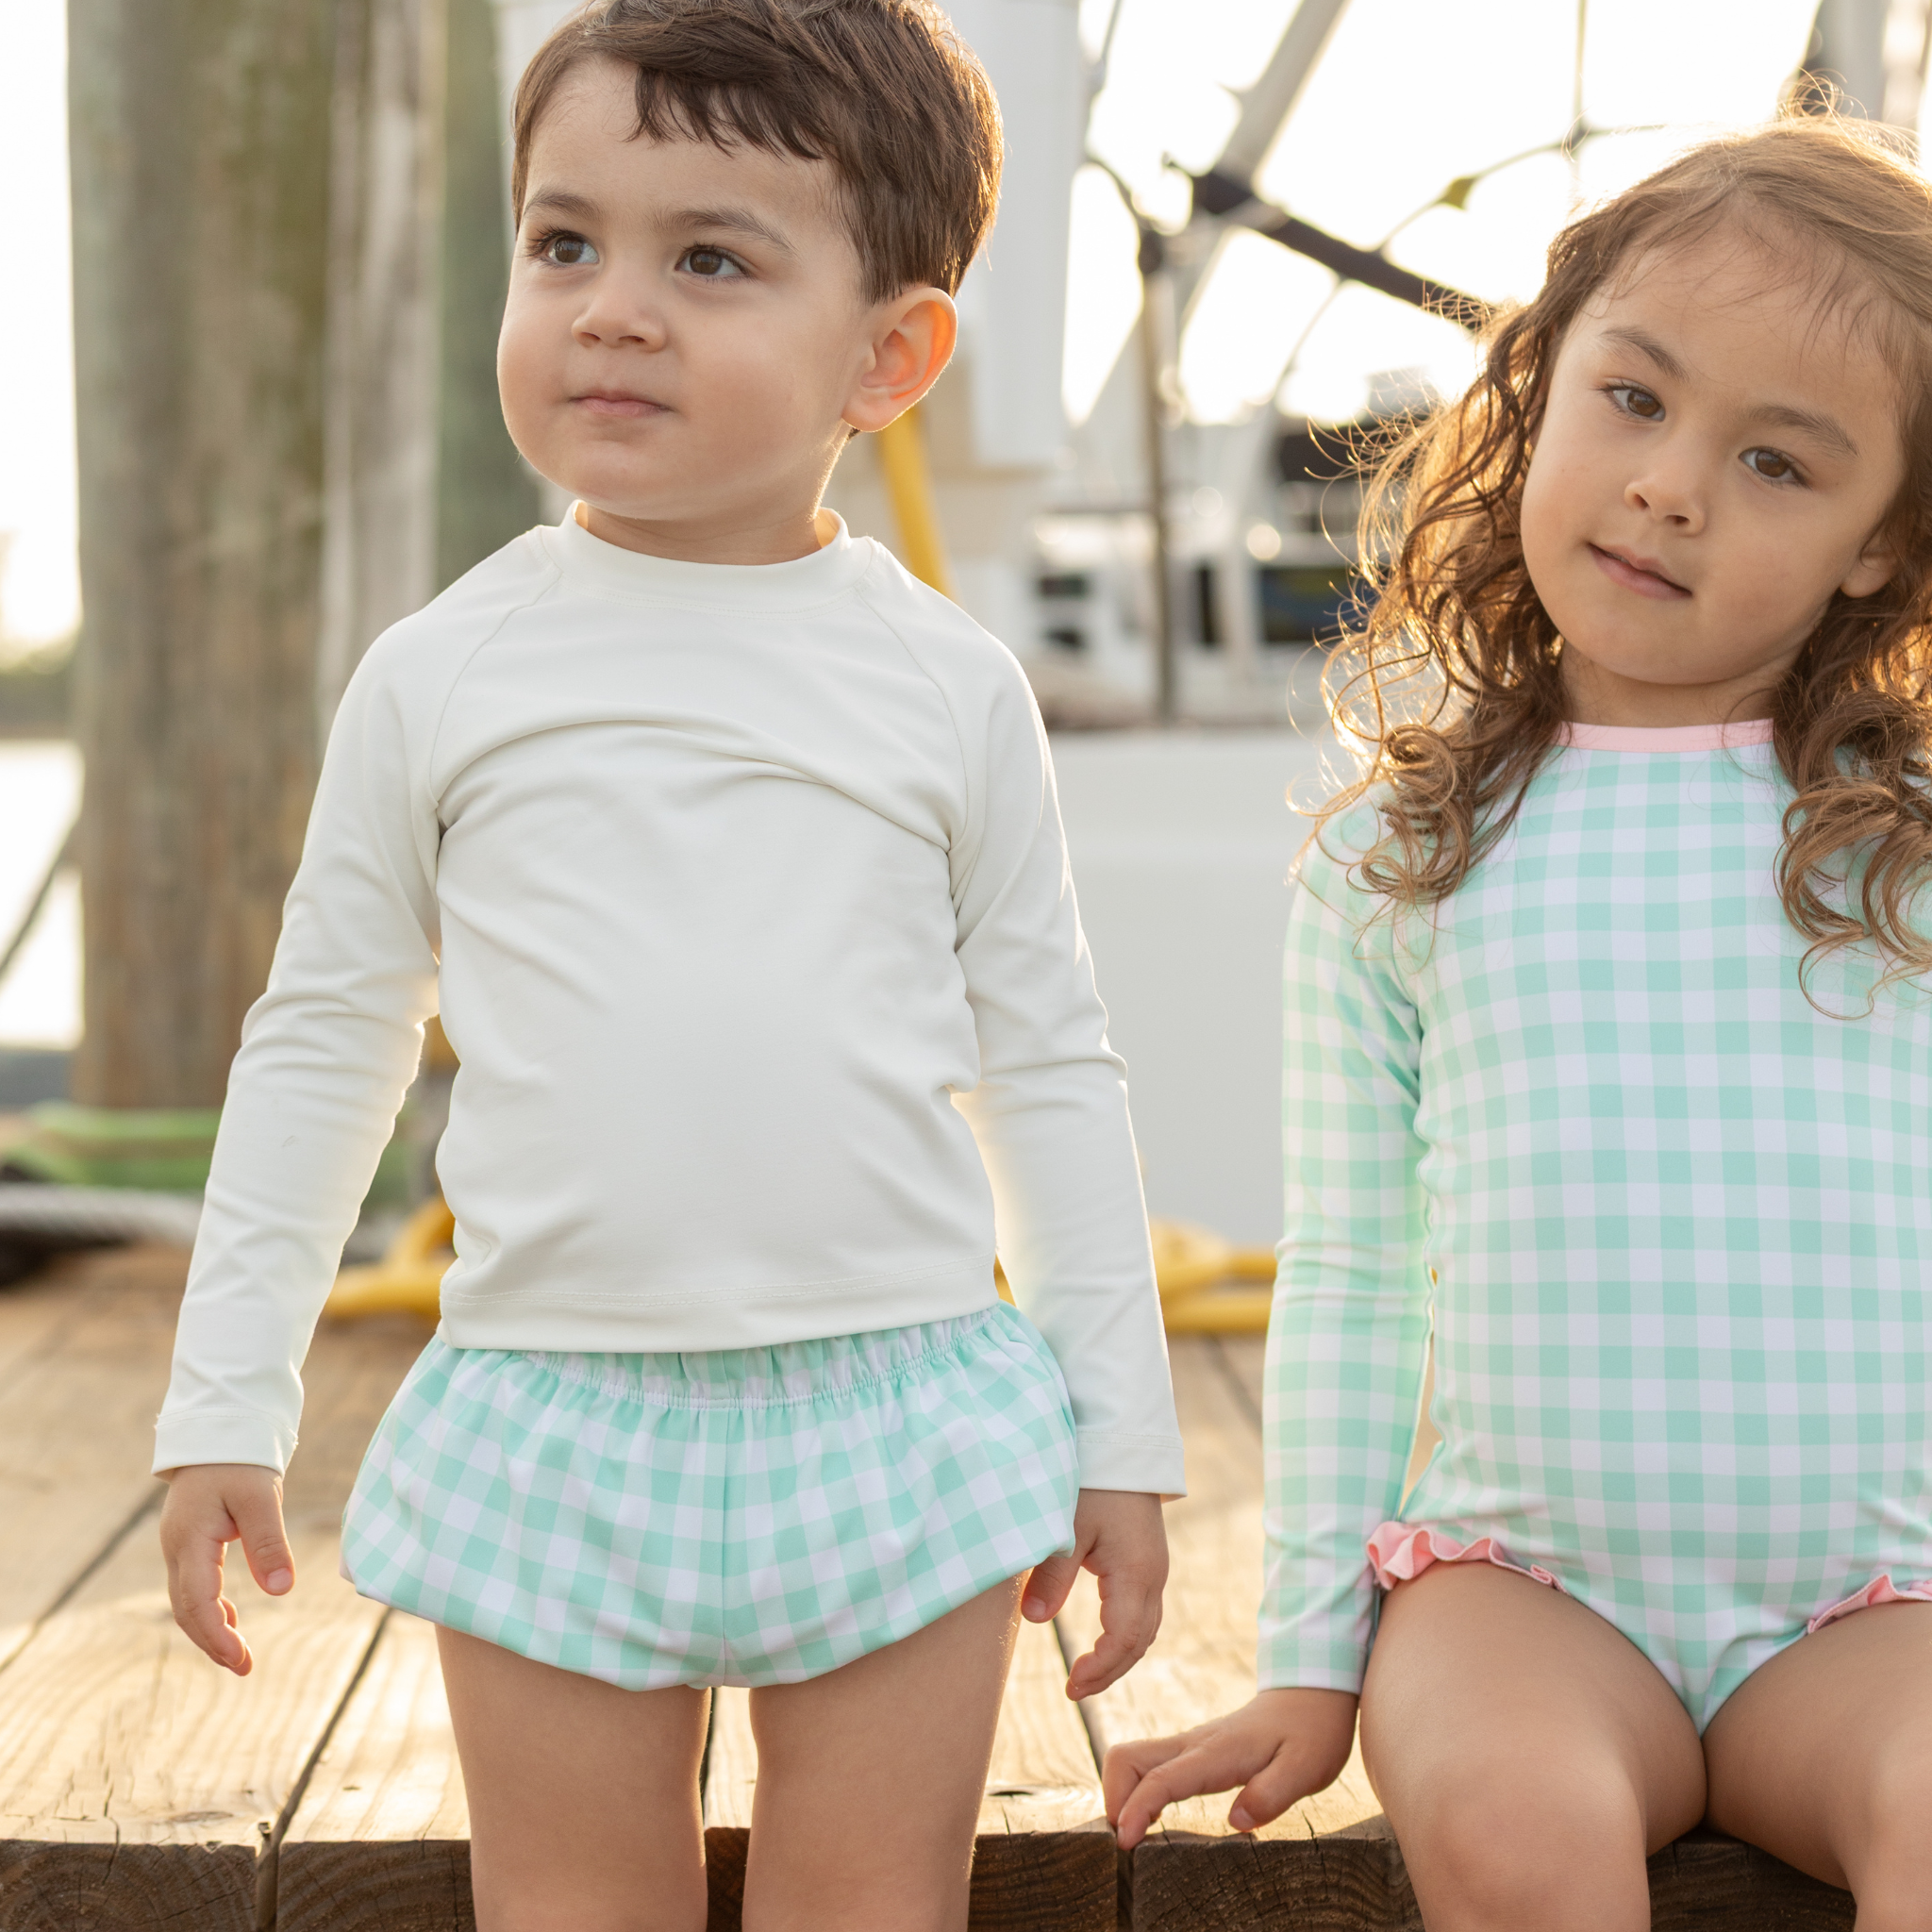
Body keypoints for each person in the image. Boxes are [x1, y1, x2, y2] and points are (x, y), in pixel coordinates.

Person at [152, 4, 1184, 1927]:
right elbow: (324, 1040)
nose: (613, 308)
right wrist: (226, 1396)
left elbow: (1048, 1060)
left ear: (889, 355)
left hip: (903, 1418)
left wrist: (1121, 1430)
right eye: (566, 244)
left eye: (707, 258)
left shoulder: (948, 686)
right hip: (551, 1412)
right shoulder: (441, 670)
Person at [1107, 116, 1932, 1930]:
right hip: (1524, 1593)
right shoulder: (1406, 856)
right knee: (1511, 1830)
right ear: (1543, 386)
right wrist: (1315, 1657)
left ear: (1883, 547)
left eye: (1778, 462)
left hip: (1885, 1603)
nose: (1671, 488)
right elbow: (1349, 1269)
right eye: (1634, 400)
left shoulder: (1910, 851)